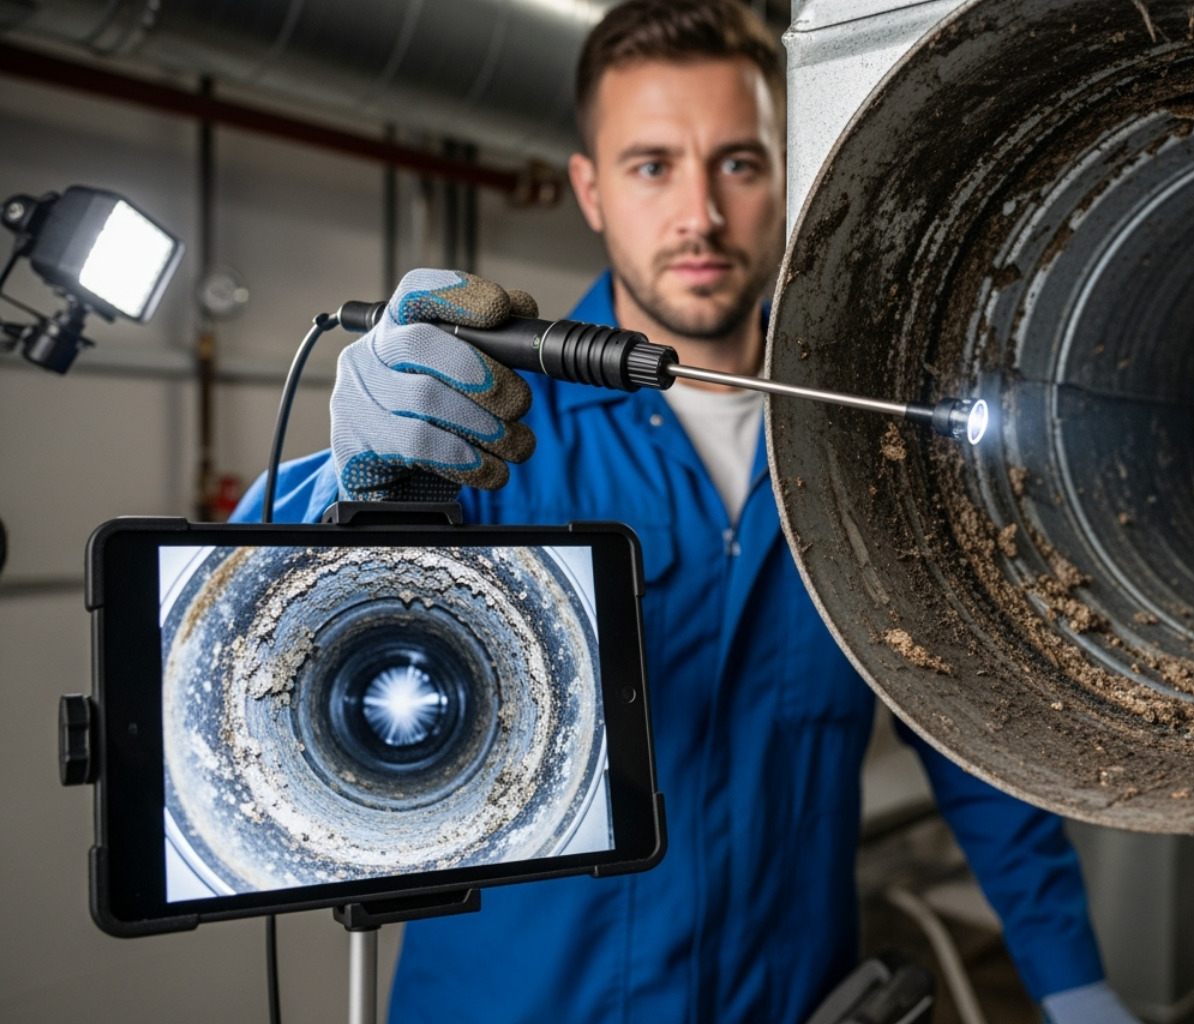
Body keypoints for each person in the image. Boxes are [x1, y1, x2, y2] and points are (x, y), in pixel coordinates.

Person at [235, 2, 1139, 1021]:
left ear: (791, 171)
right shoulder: (493, 430)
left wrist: (1073, 978)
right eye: (652, 165)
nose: (699, 214)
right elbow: (240, 642)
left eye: (740, 164)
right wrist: (345, 484)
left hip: (791, 999)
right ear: (591, 188)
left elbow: (972, 736)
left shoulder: (867, 455)